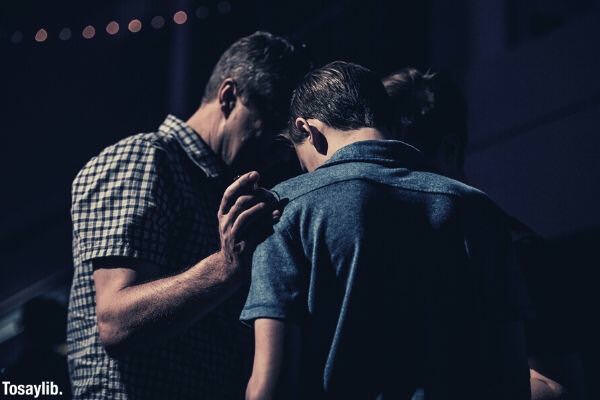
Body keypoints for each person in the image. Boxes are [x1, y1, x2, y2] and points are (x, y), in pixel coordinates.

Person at [241, 61, 530, 399]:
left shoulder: (284, 209)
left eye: (302, 160)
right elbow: (512, 377)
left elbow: (269, 386)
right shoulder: (477, 209)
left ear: (308, 130)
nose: (306, 172)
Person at [67, 31, 310, 399]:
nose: (280, 154)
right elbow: (116, 323)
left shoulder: (214, 186)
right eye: (270, 130)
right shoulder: (145, 158)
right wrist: (225, 268)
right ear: (229, 97)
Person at [382, 67, 586, 400]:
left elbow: (559, 386)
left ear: (448, 151)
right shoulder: (395, 247)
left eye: (402, 159)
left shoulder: (519, 250)